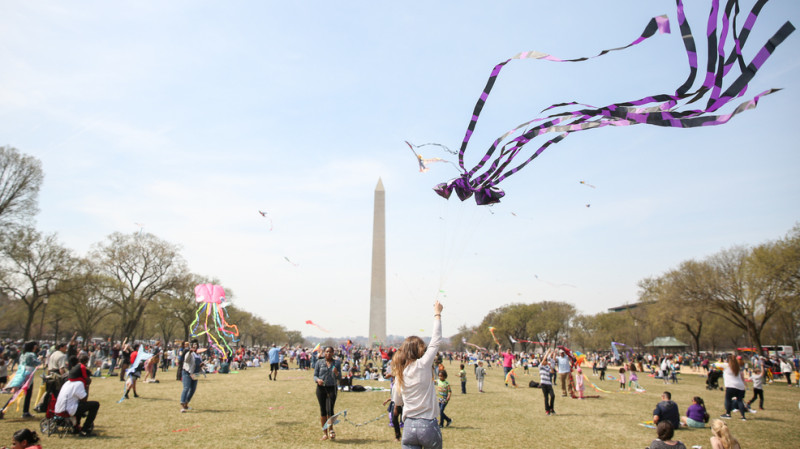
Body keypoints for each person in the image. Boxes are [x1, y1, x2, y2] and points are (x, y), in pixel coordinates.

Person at [390, 300, 444, 449]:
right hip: (427, 425)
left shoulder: (400, 374)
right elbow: (436, 340)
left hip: (408, 428)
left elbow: (397, 403)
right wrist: (437, 314)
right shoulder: (423, 365)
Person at [54, 368, 100, 437]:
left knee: (80, 406)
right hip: (67, 410)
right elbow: (84, 399)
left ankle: (76, 427)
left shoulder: (67, 382)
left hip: (59, 409)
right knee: (95, 405)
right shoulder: (79, 383)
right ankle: (85, 430)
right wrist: (87, 386)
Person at [314, 346, 340, 441]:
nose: (328, 353)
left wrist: (337, 373)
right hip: (321, 389)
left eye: (330, 352)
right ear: (324, 353)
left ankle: (331, 430)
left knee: (330, 410)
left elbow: (339, 377)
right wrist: (318, 380)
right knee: (323, 411)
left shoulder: (336, 363)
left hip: (332, 388)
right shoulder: (319, 362)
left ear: (333, 353)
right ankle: (325, 433)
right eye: (326, 352)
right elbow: (315, 375)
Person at [720, 354, 746, 420]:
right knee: (740, 401)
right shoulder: (737, 367)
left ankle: (728, 414)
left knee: (728, 400)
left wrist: (720, 361)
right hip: (740, 386)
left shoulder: (726, 366)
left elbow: (714, 365)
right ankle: (743, 416)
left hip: (731, 385)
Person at [180, 340, 201, 412]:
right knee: (186, 387)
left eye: (196, 346)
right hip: (187, 372)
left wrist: (201, 365)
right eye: (194, 346)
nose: (195, 347)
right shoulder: (189, 353)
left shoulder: (198, 355)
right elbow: (186, 360)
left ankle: (186, 403)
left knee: (193, 389)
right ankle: (182, 404)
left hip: (196, 373)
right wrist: (190, 352)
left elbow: (198, 363)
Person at [538, 348, 556, 415]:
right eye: (544, 361)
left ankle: (551, 408)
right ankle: (547, 410)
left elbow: (552, 371)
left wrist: (550, 366)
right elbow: (543, 360)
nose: (545, 362)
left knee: (553, 396)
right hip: (543, 384)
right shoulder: (540, 366)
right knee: (546, 397)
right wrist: (547, 352)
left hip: (549, 384)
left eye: (546, 361)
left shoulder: (547, 367)